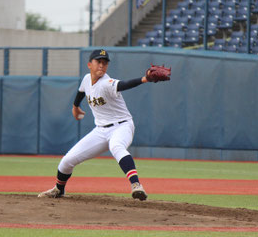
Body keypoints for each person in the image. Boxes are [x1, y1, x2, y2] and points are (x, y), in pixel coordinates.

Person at [38, 49, 167, 201]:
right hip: (100, 131)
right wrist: (75, 107)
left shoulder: (107, 83)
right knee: (67, 161)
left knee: (116, 146)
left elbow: (124, 84)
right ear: (89, 64)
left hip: (122, 126)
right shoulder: (87, 79)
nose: (102, 65)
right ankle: (59, 190)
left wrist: (145, 79)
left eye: (105, 63)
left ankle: (136, 185)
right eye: (98, 62)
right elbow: (81, 92)